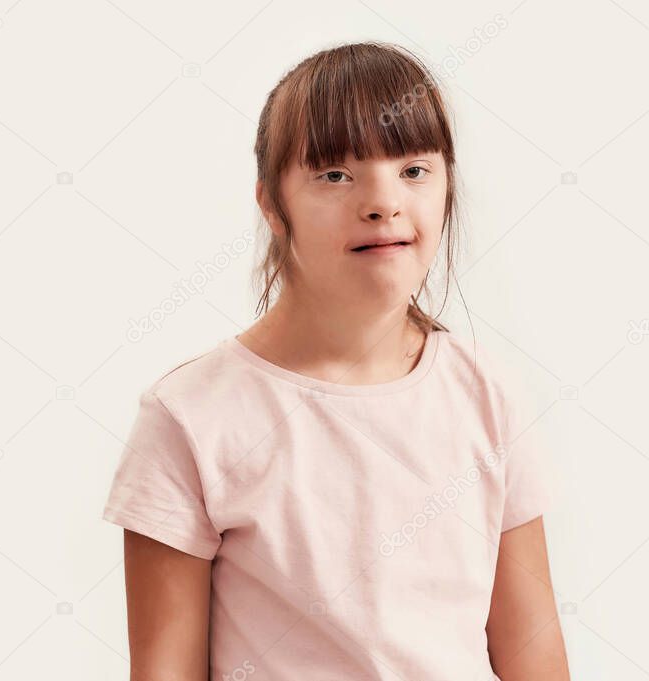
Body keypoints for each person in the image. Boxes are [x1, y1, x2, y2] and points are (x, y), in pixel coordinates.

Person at [101, 41, 569, 680]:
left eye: (413, 169)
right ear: (271, 203)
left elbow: (534, 656)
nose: (383, 202)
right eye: (334, 175)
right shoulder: (190, 418)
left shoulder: (485, 393)